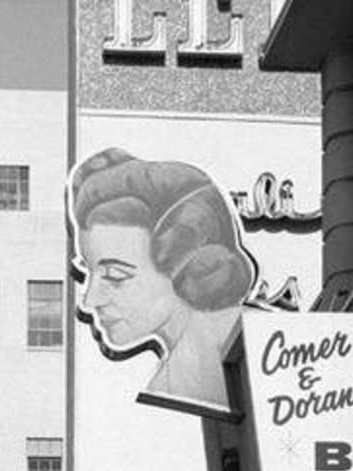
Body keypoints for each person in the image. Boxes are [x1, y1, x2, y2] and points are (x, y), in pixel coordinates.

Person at [68, 147, 256, 416]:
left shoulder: (215, 373)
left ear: (189, 266)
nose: (89, 301)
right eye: (87, 272)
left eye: (115, 277)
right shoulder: (194, 370)